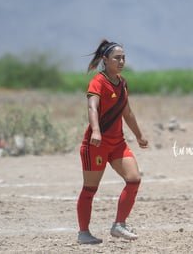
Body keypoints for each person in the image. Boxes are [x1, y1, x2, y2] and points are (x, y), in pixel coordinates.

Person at [76, 40, 148, 244]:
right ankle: (83, 233)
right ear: (105, 60)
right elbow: (92, 107)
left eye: (123, 57)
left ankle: (119, 225)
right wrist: (96, 131)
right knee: (90, 189)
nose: (121, 61)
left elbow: (128, 112)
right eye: (117, 57)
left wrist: (140, 135)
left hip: (118, 144)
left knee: (134, 179)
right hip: (96, 145)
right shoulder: (98, 81)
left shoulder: (122, 82)